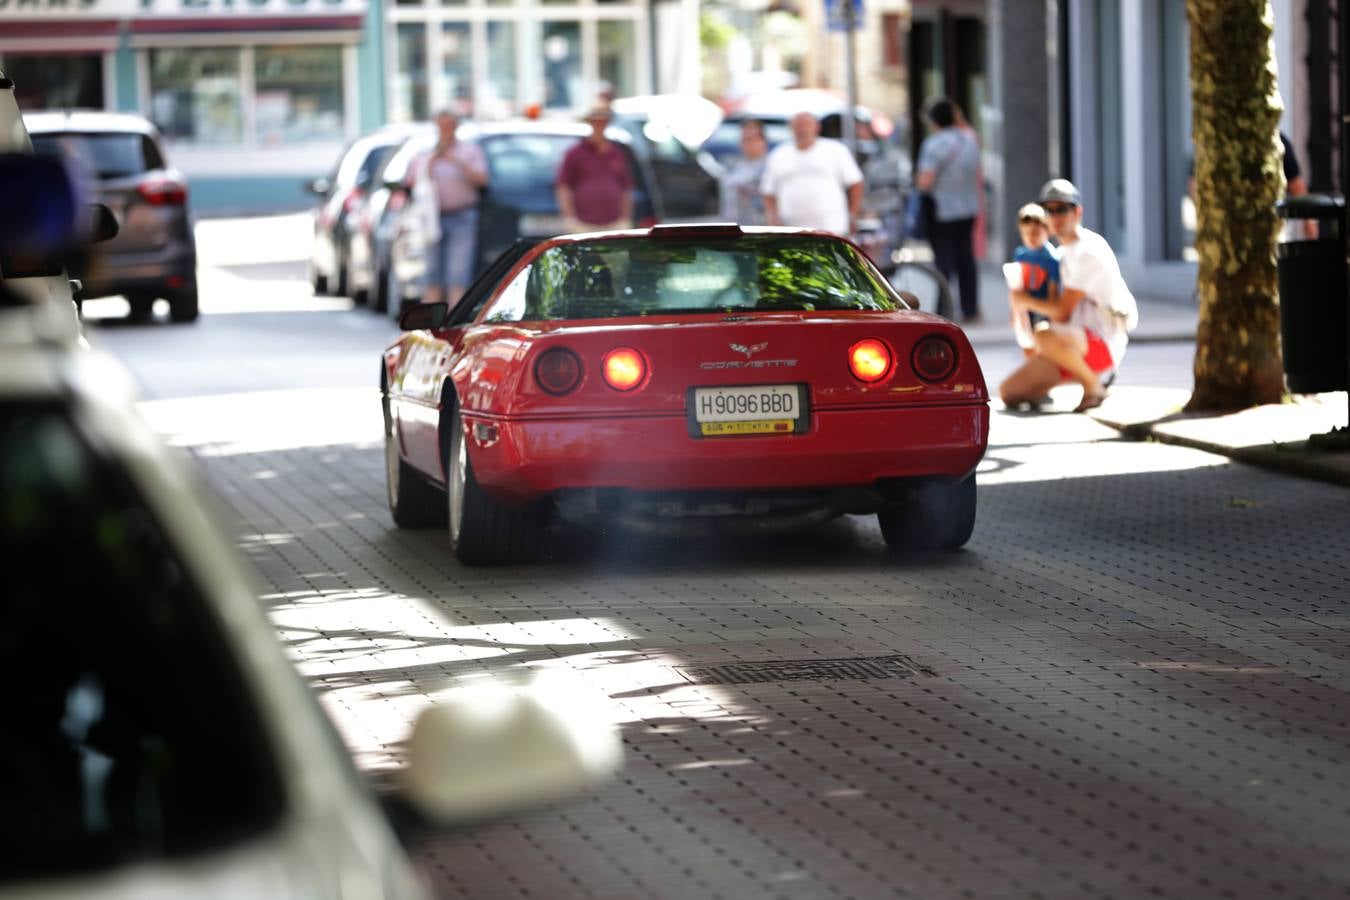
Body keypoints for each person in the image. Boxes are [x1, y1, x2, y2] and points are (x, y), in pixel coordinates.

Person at [998, 179, 1138, 414]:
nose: (1054, 216)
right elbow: (1060, 317)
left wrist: (1024, 300)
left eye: (1061, 209)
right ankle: (1078, 377)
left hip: (1101, 342)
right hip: (1069, 346)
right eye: (1048, 210)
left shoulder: (1088, 250)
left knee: (1043, 333)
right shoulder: (1061, 254)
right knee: (1009, 392)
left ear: (1077, 212)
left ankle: (1094, 385)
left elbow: (1062, 311)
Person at [914, 97, 982, 323]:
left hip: (942, 209)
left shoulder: (933, 144)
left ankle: (944, 308)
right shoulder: (971, 139)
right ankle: (970, 308)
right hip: (968, 206)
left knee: (943, 260)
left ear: (934, 121)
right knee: (966, 258)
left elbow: (925, 181)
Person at [412, 110, 488, 307]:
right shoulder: (426, 153)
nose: (445, 131)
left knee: (458, 272)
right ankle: (431, 323)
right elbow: (413, 182)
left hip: (463, 215)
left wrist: (457, 162)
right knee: (432, 272)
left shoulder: (469, 152)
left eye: (449, 126)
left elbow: (482, 180)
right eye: (441, 126)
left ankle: (454, 318)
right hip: (432, 218)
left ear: (456, 127)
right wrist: (432, 160)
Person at [759, 111, 864, 237]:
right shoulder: (779, 154)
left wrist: (853, 215)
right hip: (791, 233)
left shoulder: (835, 150)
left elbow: (855, 183)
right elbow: (768, 192)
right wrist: (773, 221)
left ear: (817, 127)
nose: (802, 129)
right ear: (791, 128)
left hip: (832, 230)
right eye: (798, 125)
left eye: (806, 125)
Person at [556, 105, 634, 232]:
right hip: (583, 224)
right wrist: (570, 217)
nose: (600, 125)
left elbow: (626, 187)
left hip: (615, 223)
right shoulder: (575, 153)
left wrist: (625, 217)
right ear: (590, 123)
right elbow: (564, 187)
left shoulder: (617, 153)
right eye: (596, 121)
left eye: (603, 121)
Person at [1005, 202, 1059, 356]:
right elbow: (1016, 285)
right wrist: (1013, 310)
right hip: (1025, 306)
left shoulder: (1051, 258)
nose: (1030, 237)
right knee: (1025, 338)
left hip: (1043, 306)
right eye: (1026, 233)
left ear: (1047, 230)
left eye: (1035, 232)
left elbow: (1053, 291)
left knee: (1042, 339)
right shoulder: (1021, 255)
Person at [718, 119, 769, 225]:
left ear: (763, 141)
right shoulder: (733, 166)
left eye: (751, 138)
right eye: (744, 139)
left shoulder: (771, 167)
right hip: (732, 229)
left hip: (758, 230)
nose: (748, 143)